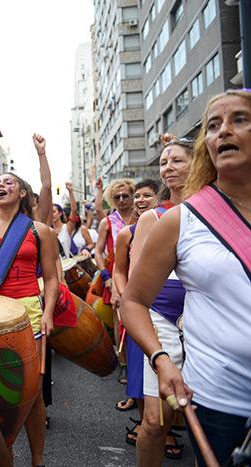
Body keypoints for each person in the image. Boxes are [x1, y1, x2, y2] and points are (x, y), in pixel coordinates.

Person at [121, 89, 251, 466]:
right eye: (214, 125)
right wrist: (160, 359)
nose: (224, 131)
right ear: (206, 146)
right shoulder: (180, 219)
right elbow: (133, 296)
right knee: (155, 422)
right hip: (218, 393)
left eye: (239, 119)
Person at [0, 172, 59, 467]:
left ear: (22, 193)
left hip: (28, 312)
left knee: (32, 395)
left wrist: (47, 313)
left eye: (8, 183)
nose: (0, 186)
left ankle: (37, 459)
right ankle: (2, 453)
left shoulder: (40, 230)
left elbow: (53, 279)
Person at [123, 138, 194, 466]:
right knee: (155, 421)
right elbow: (137, 285)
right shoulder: (152, 218)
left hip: (205, 322)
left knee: (207, 423)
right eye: (164, 163)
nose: (168, 168)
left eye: (177, 160)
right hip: (163, 321)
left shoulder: (219, 211)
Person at [111, 179, 160, 441]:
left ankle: (169, 429)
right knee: (140, 370)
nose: (140, 200)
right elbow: (119, 270)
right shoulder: (126, 233)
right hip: (138, 307)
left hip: (167, 307)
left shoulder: (170, 225)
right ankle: (145, 423)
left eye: (147, 195)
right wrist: (125, 294)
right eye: (137, 196)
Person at [94, 178, 135, 382]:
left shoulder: (142, 218)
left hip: (138, 272)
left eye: (125, 196)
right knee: (120, 318)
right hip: (115, 274)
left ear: (132, 196)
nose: (121, 200)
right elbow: (98, 252)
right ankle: (124, 363)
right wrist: (106, 277)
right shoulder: (107, 222)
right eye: (117, 197)